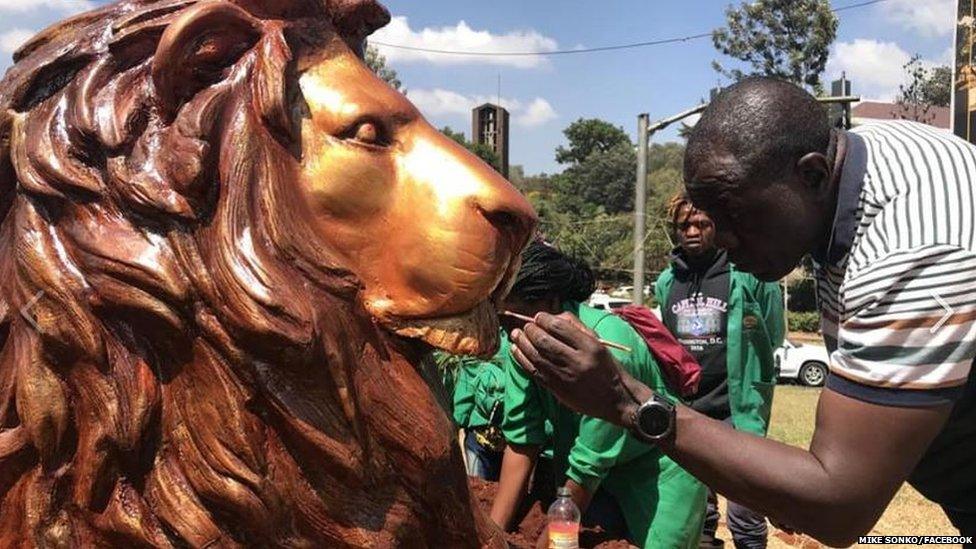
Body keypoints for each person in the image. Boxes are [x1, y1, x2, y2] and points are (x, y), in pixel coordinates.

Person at [506, 77, 976, 547]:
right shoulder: (862, 158)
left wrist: (626, 400)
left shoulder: (917, 254)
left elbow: (839, 507)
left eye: (734, 216)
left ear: (811, 175)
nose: (723, 245)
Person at [489, 241, 706, 548]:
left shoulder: (605, 347)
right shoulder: (521, 343)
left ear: (551, 303)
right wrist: (490, 535)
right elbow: (523, 439)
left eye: (511, 317)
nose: (506, 329)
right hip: (594, 482)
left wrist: (548, 542)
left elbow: (588, 465)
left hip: (657, 475)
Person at [658, 193, 784, 548]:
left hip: (736, 409)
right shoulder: (667, 283)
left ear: (716, 227)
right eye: (685, 225)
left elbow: (772, 334)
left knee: (745, 506)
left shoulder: (747, 276)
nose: (693, 231)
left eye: (702, 224)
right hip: (689, 410)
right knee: (698, 506)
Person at [450, 351, 508, 481]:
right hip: (491, 440)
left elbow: (465, 391)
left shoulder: (479, 353)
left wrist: (459, 420)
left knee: (482, 487)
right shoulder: (480, 356)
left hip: (493, 440)